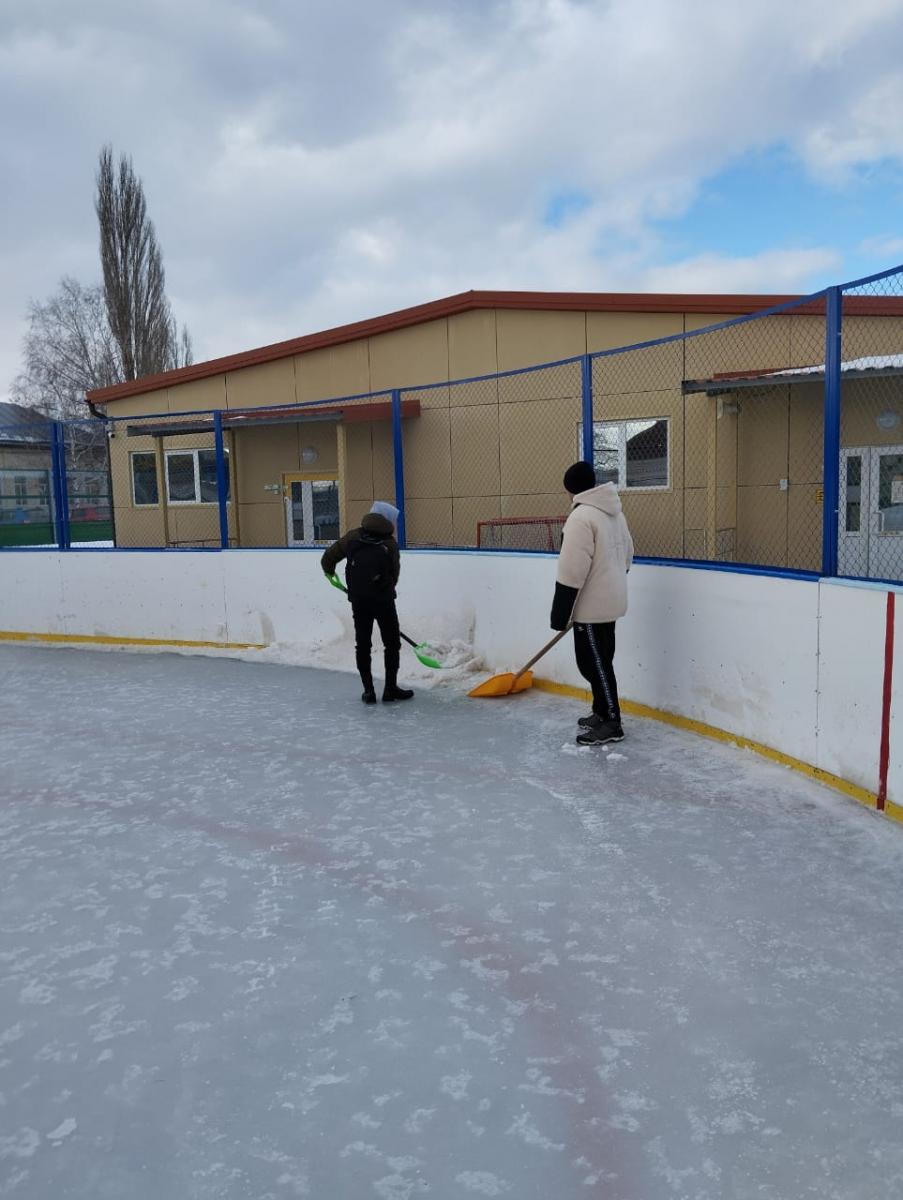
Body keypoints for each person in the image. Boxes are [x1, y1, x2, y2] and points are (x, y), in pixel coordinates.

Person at [550, 462, 633, 746]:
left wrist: (559, 613)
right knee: (598, 661)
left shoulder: (581, 516)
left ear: (570, 488)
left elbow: (572, 569)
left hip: (593, 607)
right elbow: (628, 556)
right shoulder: (613, 513)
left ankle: (612, 721)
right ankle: (600, 711)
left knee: (595, 664)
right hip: (610, 600)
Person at [321, 501, 414, 705]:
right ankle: (390, 690)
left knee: (363, 645)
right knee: (392, 644)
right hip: (384, 601)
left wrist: (330, 574)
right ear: (387, 520)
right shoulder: (390, 544)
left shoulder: (353, 537)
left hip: (359, 601)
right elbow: (393, 575)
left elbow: (327, 558)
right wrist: (382, 589)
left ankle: (368, 691)